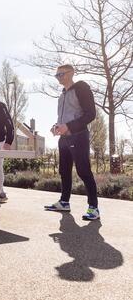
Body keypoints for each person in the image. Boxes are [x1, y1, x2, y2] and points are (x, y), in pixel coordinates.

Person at [44, 64, 99, 221]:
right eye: (57, 75)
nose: (58, 77)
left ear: (71, 73)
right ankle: (64, 202)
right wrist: (56, 127)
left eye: (61, 74)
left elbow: (91, 114)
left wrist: (68, 126)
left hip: (78, 136)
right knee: (63, 171)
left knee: (83, 171)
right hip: (64, 138)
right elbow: (63, 118)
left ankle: (93, 208)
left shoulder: (81, 88)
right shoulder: (62, 95)